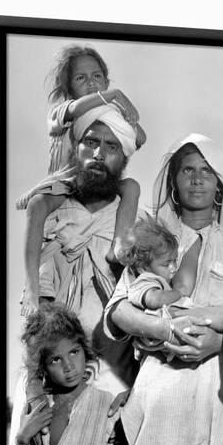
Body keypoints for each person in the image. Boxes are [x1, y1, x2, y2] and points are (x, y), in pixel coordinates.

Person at [104, 133, 223, 445]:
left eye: (207, 170)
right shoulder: (150, 240)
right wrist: (164, 330)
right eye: (187, 170)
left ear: (219, 184)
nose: (197, 178)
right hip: (162, 395)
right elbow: (119, 310)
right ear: (173, 181)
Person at [8, 107, 139, 445]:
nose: (99, 153)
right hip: (50, 353)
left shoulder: (129, 213)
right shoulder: (51, 206)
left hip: (109, 355)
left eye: (111, 146)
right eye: (91, 143)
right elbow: (34, 296)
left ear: (123, 158)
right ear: (76, 148)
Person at [17, 46, 147, 314]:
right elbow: (76, 109)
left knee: (131, 186)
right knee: (38, 205)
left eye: (97, 76)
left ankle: (120, 244)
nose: (91, 83)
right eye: (81, 78)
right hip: (65, 183)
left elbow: (140, 139)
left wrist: (124, 117)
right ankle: (32, 286)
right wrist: (112, 96)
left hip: (98, 179)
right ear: (68, 87)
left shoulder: (108, 114)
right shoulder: (64, 109)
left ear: (105, 78)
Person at [119, 215, 223, 390]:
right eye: (167, 263)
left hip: (174, 318)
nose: (173, 267)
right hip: (173, 316)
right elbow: (153, 300)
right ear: (142, 266)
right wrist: (177, 293)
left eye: (175, 260)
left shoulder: (152, 276)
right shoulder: (144, 280)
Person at [13, 302, 121, 445]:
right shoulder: (39, 409)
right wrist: (23, 439)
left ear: (84, 350)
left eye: (73, 352)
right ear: (43, 366)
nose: (68, 366)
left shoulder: (106, 403)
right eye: (56, 359)